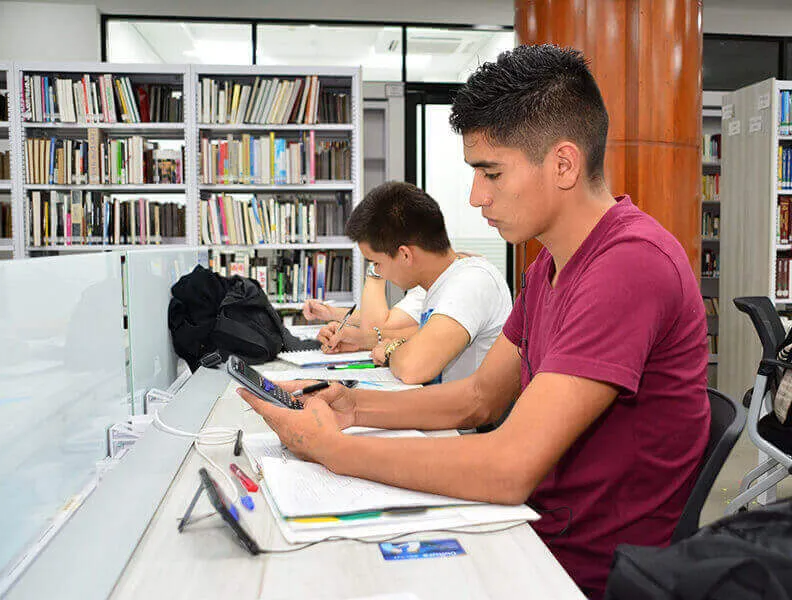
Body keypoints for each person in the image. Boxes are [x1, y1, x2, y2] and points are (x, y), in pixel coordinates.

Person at [238, 44, 710, 599]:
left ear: (563, 164)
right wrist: (353, 406)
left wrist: (332, 451)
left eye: (491, 172)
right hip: (534, 530)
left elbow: (508, 467)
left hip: (578, 569)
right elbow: (479, 398)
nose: (476, 196)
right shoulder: (549, 267)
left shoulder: (630, 264)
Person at [320, 182, 511, 384]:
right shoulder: (440, 282)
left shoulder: (471, 282)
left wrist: (390, 350)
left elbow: (413, 366)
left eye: (376, 263)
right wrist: (365, 341)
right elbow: (422, 335)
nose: (377, 272)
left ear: (405, 255)